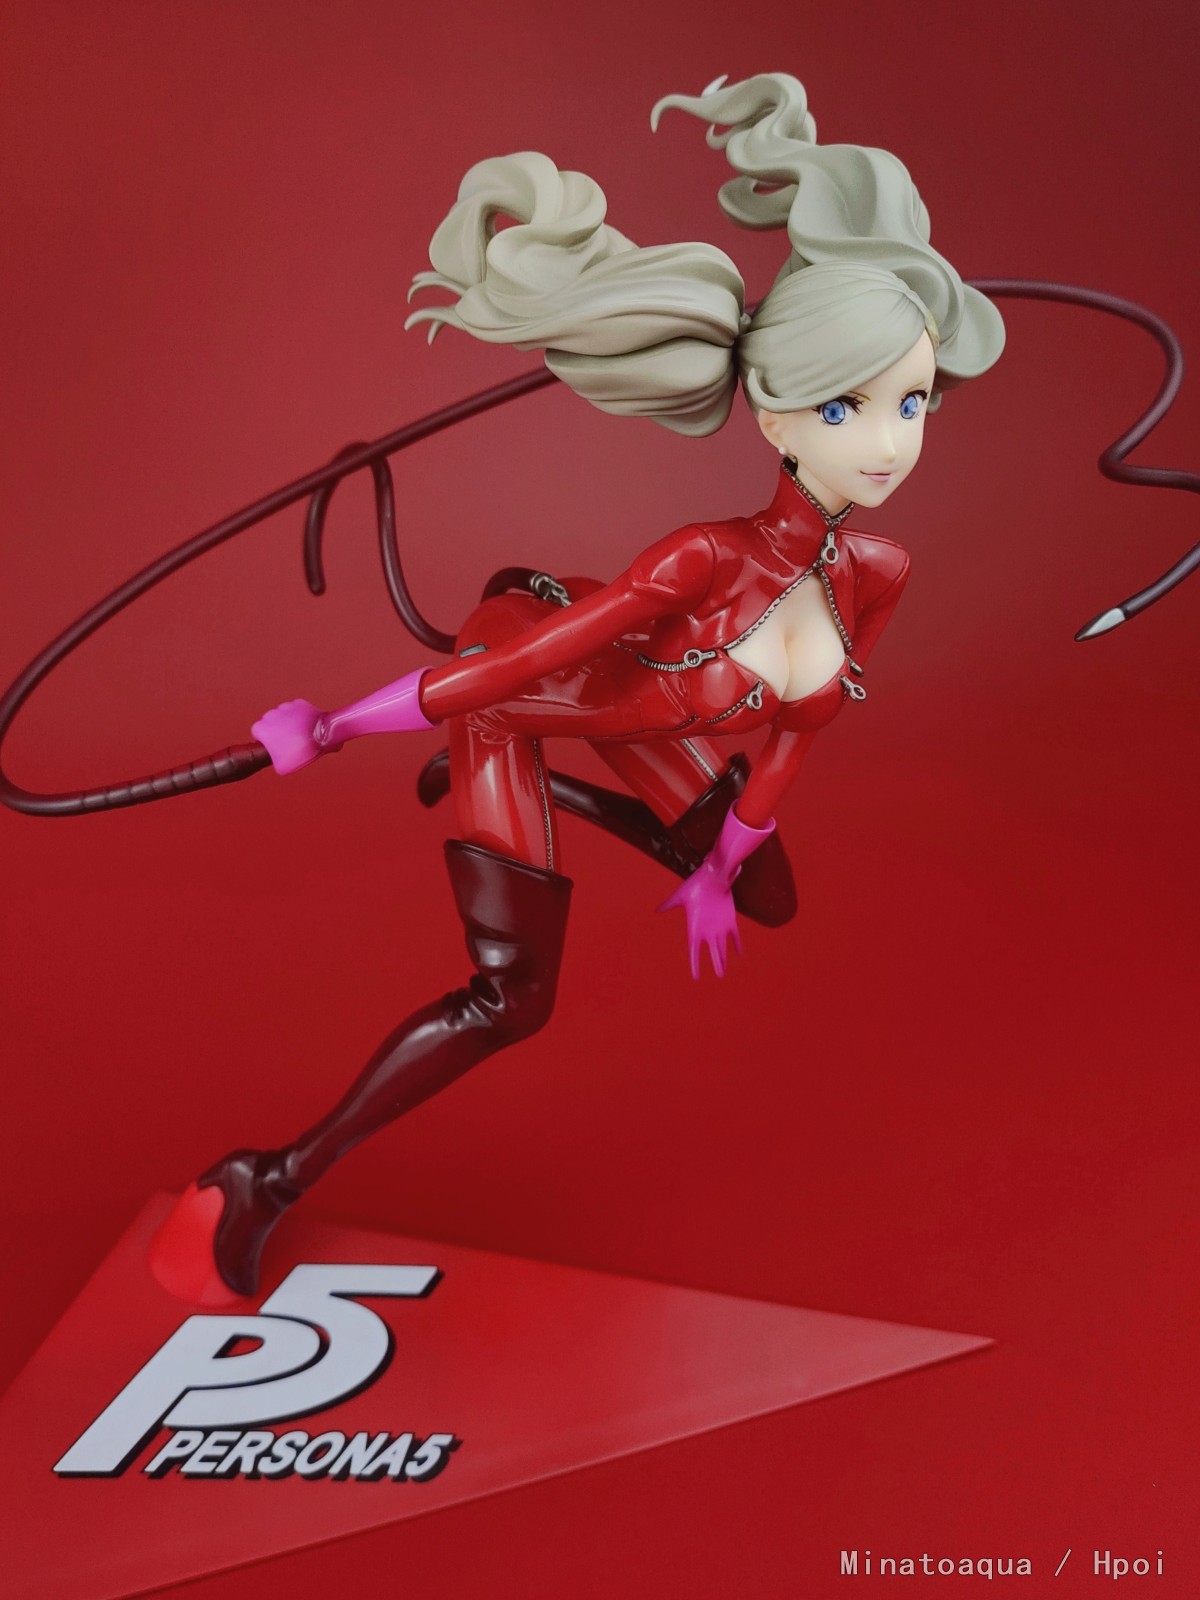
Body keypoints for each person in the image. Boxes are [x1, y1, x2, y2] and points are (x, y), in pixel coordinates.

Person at [173, 71, 1007, 1297]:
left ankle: (571, 802)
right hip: (520, 699)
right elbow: (511, 669)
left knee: (766, 892)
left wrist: (717, 866)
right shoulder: (700, 559)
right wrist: (330, 727)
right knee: (512, 1001)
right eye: (847, 407)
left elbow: (797, 741)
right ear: (777, 420)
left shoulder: (876, 570)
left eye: (912, 401)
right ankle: (267, 1178)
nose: (889, 442)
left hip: (644, 706)